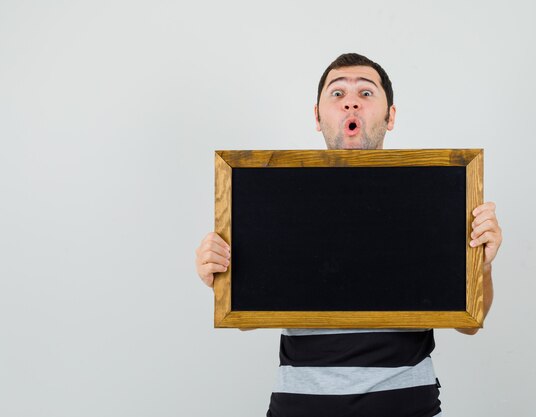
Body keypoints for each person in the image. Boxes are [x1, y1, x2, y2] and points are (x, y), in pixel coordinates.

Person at [195, 53, 503, 417]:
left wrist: (480, 265)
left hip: (408, 408)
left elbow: (470, 326)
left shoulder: (436, 197)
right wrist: (219, 274)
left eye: (367, 93)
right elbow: (248, 316)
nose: (351, 101)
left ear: (390, 117)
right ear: (317, 116)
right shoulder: (279, 200)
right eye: (337, 93)